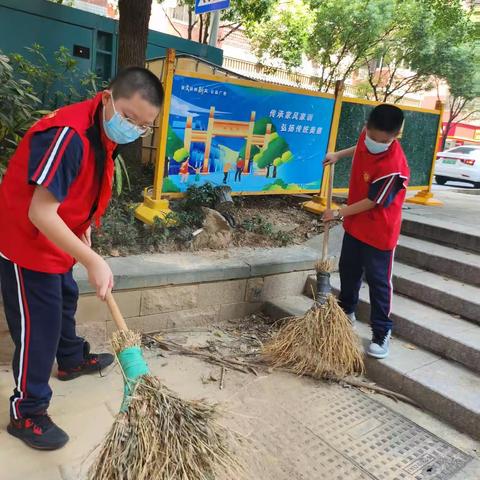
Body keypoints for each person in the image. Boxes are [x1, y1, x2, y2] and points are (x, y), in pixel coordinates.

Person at [0, 67, 164, 450]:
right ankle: (28, 413)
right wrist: (92, 260)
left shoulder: (99, 129)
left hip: (56, 239)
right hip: (27, 244)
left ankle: (71, 360)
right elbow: (39, 213)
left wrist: (83, 225)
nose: (132, 129)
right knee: (38, 330)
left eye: (142, 126)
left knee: (65, 301)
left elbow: (76, 188)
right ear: (108, 98)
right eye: (128, 117)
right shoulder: (70, 135)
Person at [322, 104, 409, 360]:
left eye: (384, 140)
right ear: (366, 127)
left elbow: (372, 202)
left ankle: (382, 331)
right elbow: (360, 147)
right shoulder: (367, 136)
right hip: (356, 226)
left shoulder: (394, 166)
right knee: (349, 271)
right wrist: (339, 154)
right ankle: (346, 312)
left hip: (380, 232)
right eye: (372, 136)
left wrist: (338, 213)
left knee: (379, 283)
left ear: (396, 134)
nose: (375, 143)